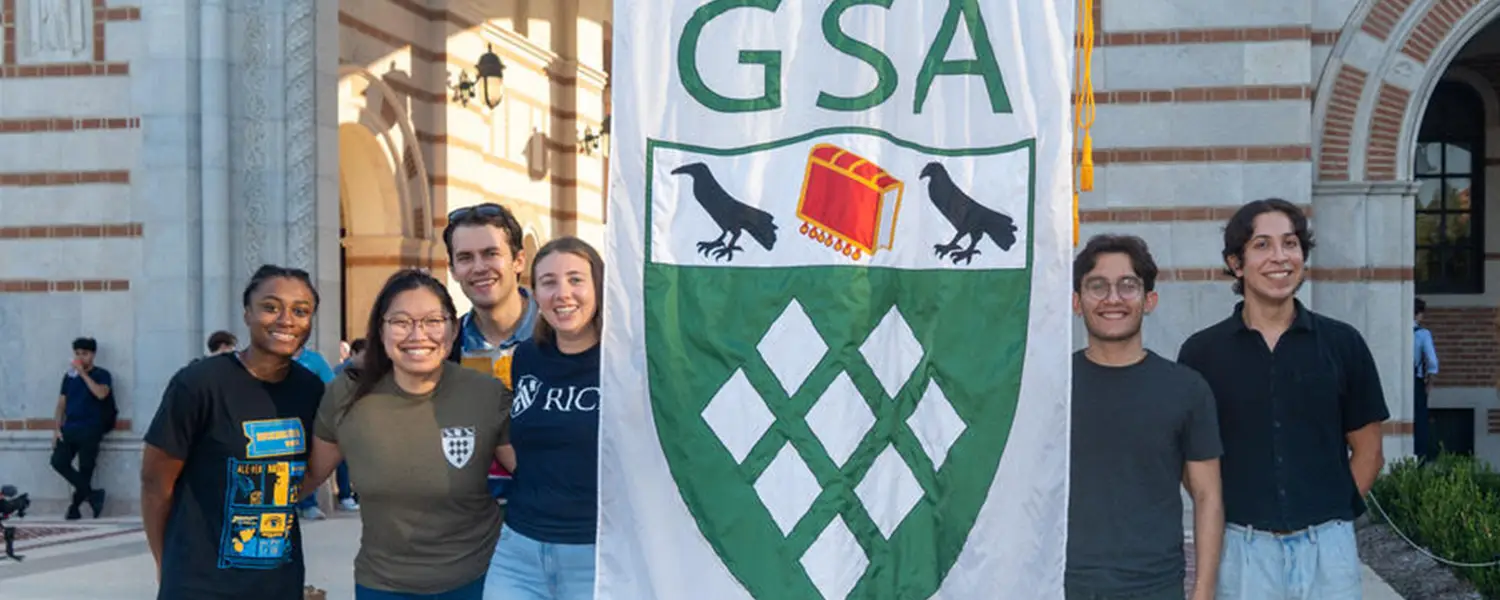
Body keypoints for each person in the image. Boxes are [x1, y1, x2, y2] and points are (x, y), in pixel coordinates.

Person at [1176, 198, 1388, 600]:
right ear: (1236, 263)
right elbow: (1193, 464)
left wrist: (1331, 518)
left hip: (1329, 549)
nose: (1280, 257)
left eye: (1290, 244)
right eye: (1262, 245)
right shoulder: (1201, 353)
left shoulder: (1343, 344)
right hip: (1241, 550)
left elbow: (1369, 451)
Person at [302, 269, 512, 600]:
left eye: (433, 321)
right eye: (401, 322)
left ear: (454, 329)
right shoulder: (346, 395)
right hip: (383, 586)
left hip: (480, 580)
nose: (417, 335)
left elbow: (533, 475)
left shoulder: (486, 393)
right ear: (380, 330)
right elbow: (308, 477)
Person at [139, 265, 327, 600]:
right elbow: (155, 482)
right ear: (247, 313)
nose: (286, 320)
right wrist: (166, 562)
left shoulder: (310, 389)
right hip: (201, 582)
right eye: (270, 307)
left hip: (278, 583)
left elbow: (303, 474)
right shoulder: (199, 384)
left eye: (301, 311)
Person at [1067, 234, 1223, 600]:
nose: (1113, 299)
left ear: (1149, 300)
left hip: (1155, 586)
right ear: (1077, 302)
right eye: (1097, 286)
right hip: (1063, 584)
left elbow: (1207, 496)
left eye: (1128, 286)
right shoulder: (1051, 388)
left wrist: (1203, 591)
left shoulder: (1187, 389)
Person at [484, 236, 603, 600]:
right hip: (519, 550)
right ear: (535, 294)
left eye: (576, 279)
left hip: (597, 554)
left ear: (600, 287)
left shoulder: (627, 362)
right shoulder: (526, 358)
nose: (562, 293)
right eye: (548, 282)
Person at [442, 202, 538, 500]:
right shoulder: (444, 348)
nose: (480, 267)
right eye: (465, 258)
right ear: (454, 270)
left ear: (519, 260)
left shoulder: (560, 338)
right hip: (471, 524)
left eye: (491, 253)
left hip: (548, 523)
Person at [52, 336, 115, 520]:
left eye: (85, 354)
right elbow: (61, 404)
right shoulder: (68, 377)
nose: (80, 357)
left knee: (86, 468)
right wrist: (56, 429)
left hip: (91, 428)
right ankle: (93, 495)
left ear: (93, 355)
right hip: (70, 427)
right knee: (58, 462)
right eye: (78, 353)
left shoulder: (102, 374)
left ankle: (75, 507)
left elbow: (101, 394)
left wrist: (83, 374)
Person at [293, 345, 338, 519]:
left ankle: (308, 504)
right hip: (278, 417)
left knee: (307, 461)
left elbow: (330, 384)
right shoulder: (272, 358)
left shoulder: (314, 360)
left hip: (308, 417)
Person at [1413, 298, 1439, 461]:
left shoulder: (1396, 330)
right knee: (1420, 421)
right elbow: (1432, 361)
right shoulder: (1422, 334)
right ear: (1419, 314)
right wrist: (1430, 382)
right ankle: (1420, 458)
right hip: (1415, 380)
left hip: (1396, 380)